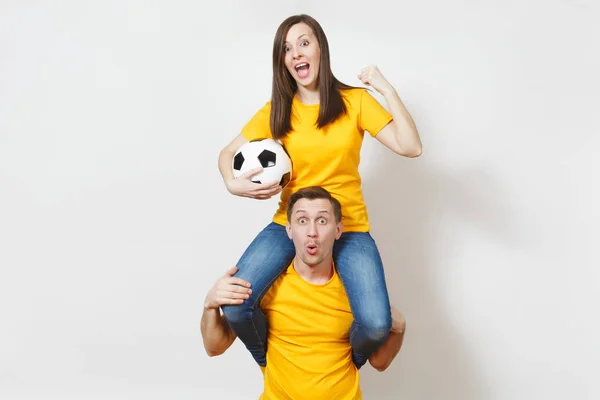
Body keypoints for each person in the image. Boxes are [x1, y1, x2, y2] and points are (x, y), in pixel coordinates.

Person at [218, 14, 422, 369]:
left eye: (303, 42)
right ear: (282, 61)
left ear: (320, 48)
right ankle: (280, 364)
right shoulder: (276, 112)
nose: (296, 52)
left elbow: (410, 146)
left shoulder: (355, 102)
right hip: (290, 225)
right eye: (286, 48)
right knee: (235, 305)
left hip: (350, 228)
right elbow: (226, 154)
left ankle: (339, 365)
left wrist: (386, 89)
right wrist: (232, 183)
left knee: (377, 324)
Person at [202, 187, 407, 399]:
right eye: (302, 221)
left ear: (338, 230)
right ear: (289, 230)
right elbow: (214, 347)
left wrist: (398, 329)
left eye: (322, 221)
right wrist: (210, 305)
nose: (312, 232)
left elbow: (380, 363)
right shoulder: (265, 288)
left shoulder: (356, 292)